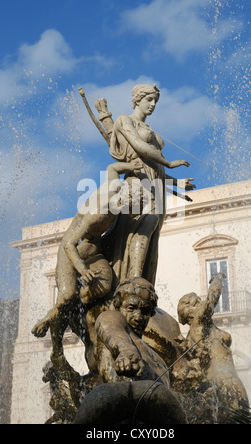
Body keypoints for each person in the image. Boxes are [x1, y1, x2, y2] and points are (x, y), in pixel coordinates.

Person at [31, 159, 142, 373]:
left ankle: (80, 299)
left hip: (93, 247)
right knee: (66, 295)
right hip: (71, 250)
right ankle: (49, 317)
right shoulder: (98, 215)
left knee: (106, 284)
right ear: (123, 200)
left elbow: (111, 168)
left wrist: (132, 167)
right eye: (133, 206)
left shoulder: (114, 187)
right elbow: (69, 243)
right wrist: (82, 270)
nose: (134, 212)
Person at [103, 83, 193, 287]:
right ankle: (133, 281)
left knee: (152, 236)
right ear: (137, 99)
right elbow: (140, 147)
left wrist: (176, 183)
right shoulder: (124, 120)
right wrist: (169, 162)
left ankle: (144, 282)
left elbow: (153, 167)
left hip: (156, 187)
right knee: (142, 228)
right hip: (138, 186)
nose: (152, 105)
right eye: (149, 99)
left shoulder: (149, 128)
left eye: (155, 101)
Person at [176, 273, 249, 423]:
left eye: (198, 300)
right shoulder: (199, 323)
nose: (200, 303)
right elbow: (212, 299)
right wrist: (218, 278)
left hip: (220, 387)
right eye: (195, 303)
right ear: (188, 315)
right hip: (227, 386)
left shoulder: (197, 333)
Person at [94, 277, 170, 387]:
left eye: (145, 311)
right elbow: (110, 328)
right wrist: (126, 351)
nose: (138, 317)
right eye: (131, 308)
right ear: (117, 306)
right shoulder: (111, 318)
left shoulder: (158, 359)